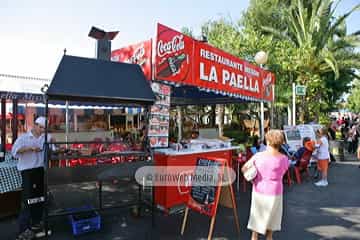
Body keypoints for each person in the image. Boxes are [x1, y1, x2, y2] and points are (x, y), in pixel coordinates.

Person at [12, 117, 51, 239]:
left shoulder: (45, 138)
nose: (42, 130)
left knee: (39, 198)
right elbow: (14, 152)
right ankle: (23, 229)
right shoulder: (23, 138)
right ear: (34, 125)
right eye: (40, 127)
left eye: (44, 128)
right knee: (28, 200)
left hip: (39, 170)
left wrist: (54, 145)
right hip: (27, 171)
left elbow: (53, 149)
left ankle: (36, 223)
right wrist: (29, 148)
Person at [246, 130, 289, 240]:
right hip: (276, 192)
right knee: (271, 225)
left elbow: (244, 168)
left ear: (268, 141)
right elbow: (283, 172)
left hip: (259, 191)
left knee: (255, 229)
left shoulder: (258, 156)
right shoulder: (284, 159)